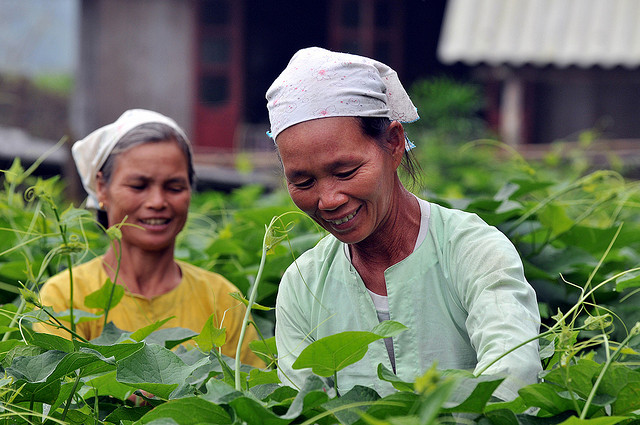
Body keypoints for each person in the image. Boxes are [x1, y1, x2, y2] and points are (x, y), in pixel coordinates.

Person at [266, 47, 541, 400]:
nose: (328, 199)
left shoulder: (473, 250)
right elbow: (300, 407)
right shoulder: (303, 285)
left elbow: (512, 376)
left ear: (394, 144)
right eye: (303, 183)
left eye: (346, 171)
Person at [36, 109, 262, 368]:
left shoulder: (221, 298)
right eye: (138, 186)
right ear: (102, 188)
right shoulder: (65, 296)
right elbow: (59, 401)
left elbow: (251, 393)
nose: (157, 202)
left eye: (174, 187)